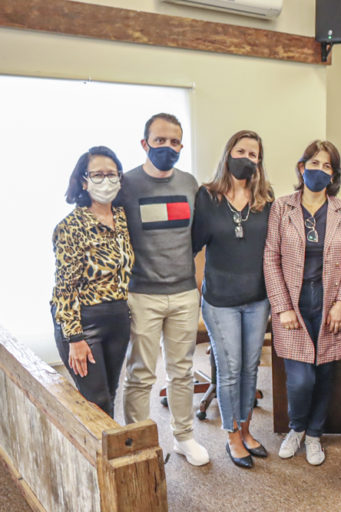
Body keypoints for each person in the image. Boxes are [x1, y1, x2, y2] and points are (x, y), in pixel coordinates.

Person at [264, 140, 341, 466]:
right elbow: (271, 258)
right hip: (294, 299)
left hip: (330, 300)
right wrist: (282, 306)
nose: (319, 170)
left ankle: (315, 434)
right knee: (301, 377)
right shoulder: (282, 207)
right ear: (302, 166)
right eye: (314, 162)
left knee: (325, 372)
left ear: (333, 174)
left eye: (327, 165)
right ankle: (297, 428)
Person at [120, 113, 209, 466]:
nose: (168, 147)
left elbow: (198, 240)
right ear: (145, 144)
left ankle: (183, 437)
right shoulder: (126, 185)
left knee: (182, 370)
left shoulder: (189, 183)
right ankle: (137, 442)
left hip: (184, 294)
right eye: (160, 141)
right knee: (141, 372)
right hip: (142, 293)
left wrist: (197, 287)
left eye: (175, 142)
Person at [192, 130, 273, 468]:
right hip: (220, 300)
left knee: (249, 368)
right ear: (228, 154)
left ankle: (247, 428)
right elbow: (194, 247)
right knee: (229, 370)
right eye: (241, 151)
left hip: (257, 300)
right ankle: (231, 436)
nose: (247, 158)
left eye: (254, 154)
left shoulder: (266, 199)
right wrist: (200, 288)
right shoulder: (207, 196)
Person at [51, 146, 133, 419]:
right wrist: (74, 338)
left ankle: (107, 458)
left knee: (110, 393)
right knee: (95, 400)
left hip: (118, 317)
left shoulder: (122, 218)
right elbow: (64, 288)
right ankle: (98, 459)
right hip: (84, 321)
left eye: (111, 174)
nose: (105, 180)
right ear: (84, 181)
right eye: (98, 174)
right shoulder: (70, 226)